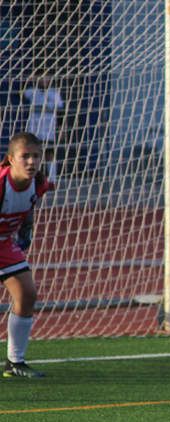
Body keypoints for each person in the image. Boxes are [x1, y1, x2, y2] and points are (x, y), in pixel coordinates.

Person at [0, 132, 53, 378]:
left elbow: (28, 207)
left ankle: (15, 362)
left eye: (36, 156)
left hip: (4, 244)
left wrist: (26, 229)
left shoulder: (39, 182)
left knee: (27, 294)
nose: (31, 162)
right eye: (25, 156)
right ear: (11, 159)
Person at [21, 74, 63, 183]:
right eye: (41, 77)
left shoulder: (55, 93)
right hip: (34, 128)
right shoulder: (31, 92)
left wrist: (60, 128)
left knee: (49, 153)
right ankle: (33, 179)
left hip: (48, 128)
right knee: (33, 153)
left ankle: (52, 181)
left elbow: (60, 112)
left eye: (47, 77)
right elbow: (20, 93)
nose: (44, 80)